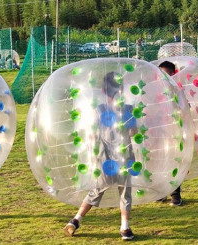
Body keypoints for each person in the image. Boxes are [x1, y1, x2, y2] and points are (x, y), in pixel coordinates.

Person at [63, 72, 137, 241]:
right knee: (125, 192)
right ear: (122, 89)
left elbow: (92, 135)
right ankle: (125, 228)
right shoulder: (128, 109)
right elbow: (134, 132)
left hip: (105, 158)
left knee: (97, 190)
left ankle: (76, 220)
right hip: (123, 156)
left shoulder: (99, 109)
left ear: (104, 91)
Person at [158, 61, 183, 206]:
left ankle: (175, 195)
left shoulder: (177, 90)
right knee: (160, 163)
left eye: (166, 74)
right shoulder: (156, 89)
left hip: (174, 133)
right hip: (159, 133)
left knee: (174, 163)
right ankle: (161, 192)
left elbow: (185, 108)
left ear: (173, 74)